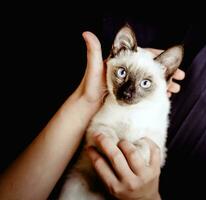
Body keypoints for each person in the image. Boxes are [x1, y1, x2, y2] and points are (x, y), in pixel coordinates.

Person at [0, 31, 185, 200]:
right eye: (122, 73)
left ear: (166, 75)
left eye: (144, 83)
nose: (128, 92)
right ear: (114, 54)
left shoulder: (157, 111)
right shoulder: (107, 104)